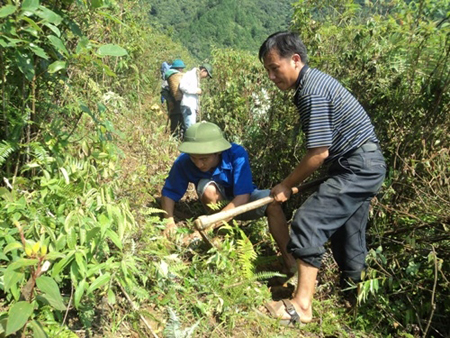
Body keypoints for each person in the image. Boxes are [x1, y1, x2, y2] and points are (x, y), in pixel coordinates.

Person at [258, 31, 386, 325]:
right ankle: (354, 311)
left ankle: (302, 307)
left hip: (357, 165)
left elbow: (318, 154)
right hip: (361, 164)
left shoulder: (311, 91)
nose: (271, 76)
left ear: (295, 60)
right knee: (348, 240)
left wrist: (286, 185)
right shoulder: (314, 83)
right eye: (267, 70)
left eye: (274, 68)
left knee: (308, 220)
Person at [161, 121, 296, 274]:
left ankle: (289, 261)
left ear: (217, 152)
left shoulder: (236, 154)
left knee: (273, 202)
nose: (198, 164)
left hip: (243, 202)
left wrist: (207, 227)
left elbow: (243, 196)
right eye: (194, 158)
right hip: (215, 203)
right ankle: (223, 238)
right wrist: (169, 222)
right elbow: (169, 192)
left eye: (204, 159)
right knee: (208, 190)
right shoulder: (184, 161)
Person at [179, 64, 213, 137]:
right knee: (191, 130)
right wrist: (196, 91)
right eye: (206, 75)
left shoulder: (196, 77)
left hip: (192, 106)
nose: (206, 77)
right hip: (187, 105)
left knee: (191, 128)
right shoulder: (190, 74)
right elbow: (182, 86)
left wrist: (197, 108)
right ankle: (189, 146)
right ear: (203, 71)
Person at [164, 59, 186, 137]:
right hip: (174, 104)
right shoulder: (170, 78)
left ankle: (180, 139)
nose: (181, 70)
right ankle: (175, 139)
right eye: (180, 68)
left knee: (181, 123)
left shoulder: (179, 77)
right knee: (175, 123)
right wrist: (170, 101)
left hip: (180, 104)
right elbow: (164, 91)